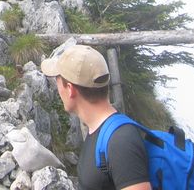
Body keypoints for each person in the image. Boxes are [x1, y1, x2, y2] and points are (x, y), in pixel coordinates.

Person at [40, 45, 151, 190]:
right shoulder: (101, 133)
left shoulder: (121, 141)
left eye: (57, 80)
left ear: (70, 89)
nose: (57, 88)